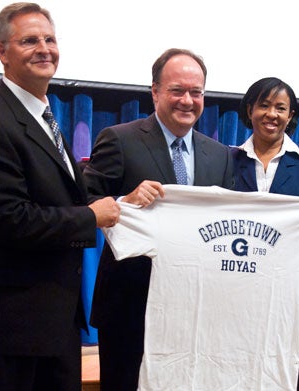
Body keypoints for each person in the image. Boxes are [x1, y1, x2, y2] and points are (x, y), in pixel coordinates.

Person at [0, 3, 120, 390]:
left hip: (48, 325)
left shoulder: (43, 115)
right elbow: (10, 220)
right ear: (2, 52)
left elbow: (61, 194)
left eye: (50, 39)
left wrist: (125, 200)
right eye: (29, 41)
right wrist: (91, 217)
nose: (44, 48)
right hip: (0, 332)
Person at [82, 48, 233, 390]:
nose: (187, 100)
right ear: (154, 91)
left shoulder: (220, 155)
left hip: (195, 310)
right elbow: (83, 201)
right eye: (177, 90)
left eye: (196, 92)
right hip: (130, 306)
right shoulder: (119, 139)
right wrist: (124, 202)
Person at [231, 77, 299, 390]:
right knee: (236, 355)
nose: (272, 114)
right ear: (250, 109)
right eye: (264, 105)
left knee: (293, 359)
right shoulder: (229, 159)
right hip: (240, 277)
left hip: (292, 283)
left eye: (281, 108)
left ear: (291, 115)